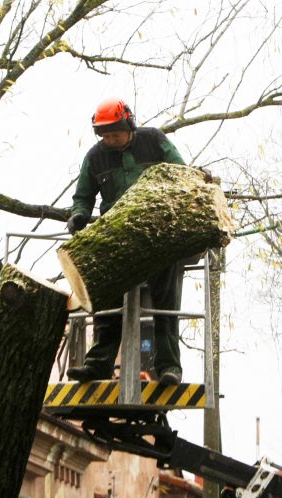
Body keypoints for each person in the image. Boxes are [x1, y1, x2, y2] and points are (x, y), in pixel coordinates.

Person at [65, 98, 186, 385]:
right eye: (105, 135)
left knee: (164, 303)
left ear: (129, 125)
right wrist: (79, 216)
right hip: (118, 236)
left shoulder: (154, 141)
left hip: (158, 232)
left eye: (115, 133)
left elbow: (181, 174)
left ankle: (169, 367)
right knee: (107, 302)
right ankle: (97, 365)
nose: (110, 139)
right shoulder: (95, 157)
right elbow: (83, 197)